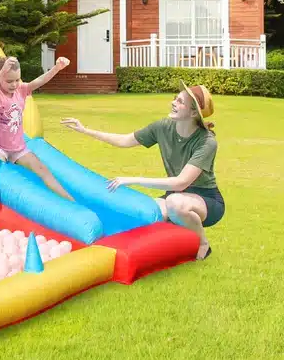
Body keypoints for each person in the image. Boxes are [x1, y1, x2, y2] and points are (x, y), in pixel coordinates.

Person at [60, 83, 223, 260]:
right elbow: (125, 140)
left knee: (175, 204)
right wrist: (85, 130)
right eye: (175, 98)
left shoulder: (207, 142)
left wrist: (134, 179)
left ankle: (203, 244)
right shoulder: (163, 127)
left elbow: (181, 182)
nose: (173, 103)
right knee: (145, 214)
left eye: (180, 101)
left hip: (205, 199)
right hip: (175, 195)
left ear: (193, 113)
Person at [0, 55, 74, 200]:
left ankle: (70, 201)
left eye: (17, 80)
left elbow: (39, 81)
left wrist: (56, 68)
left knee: (42, 169)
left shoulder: (21, 90)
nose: (14, 84)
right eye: (9, 81)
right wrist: (2, 72)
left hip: (18, 148)